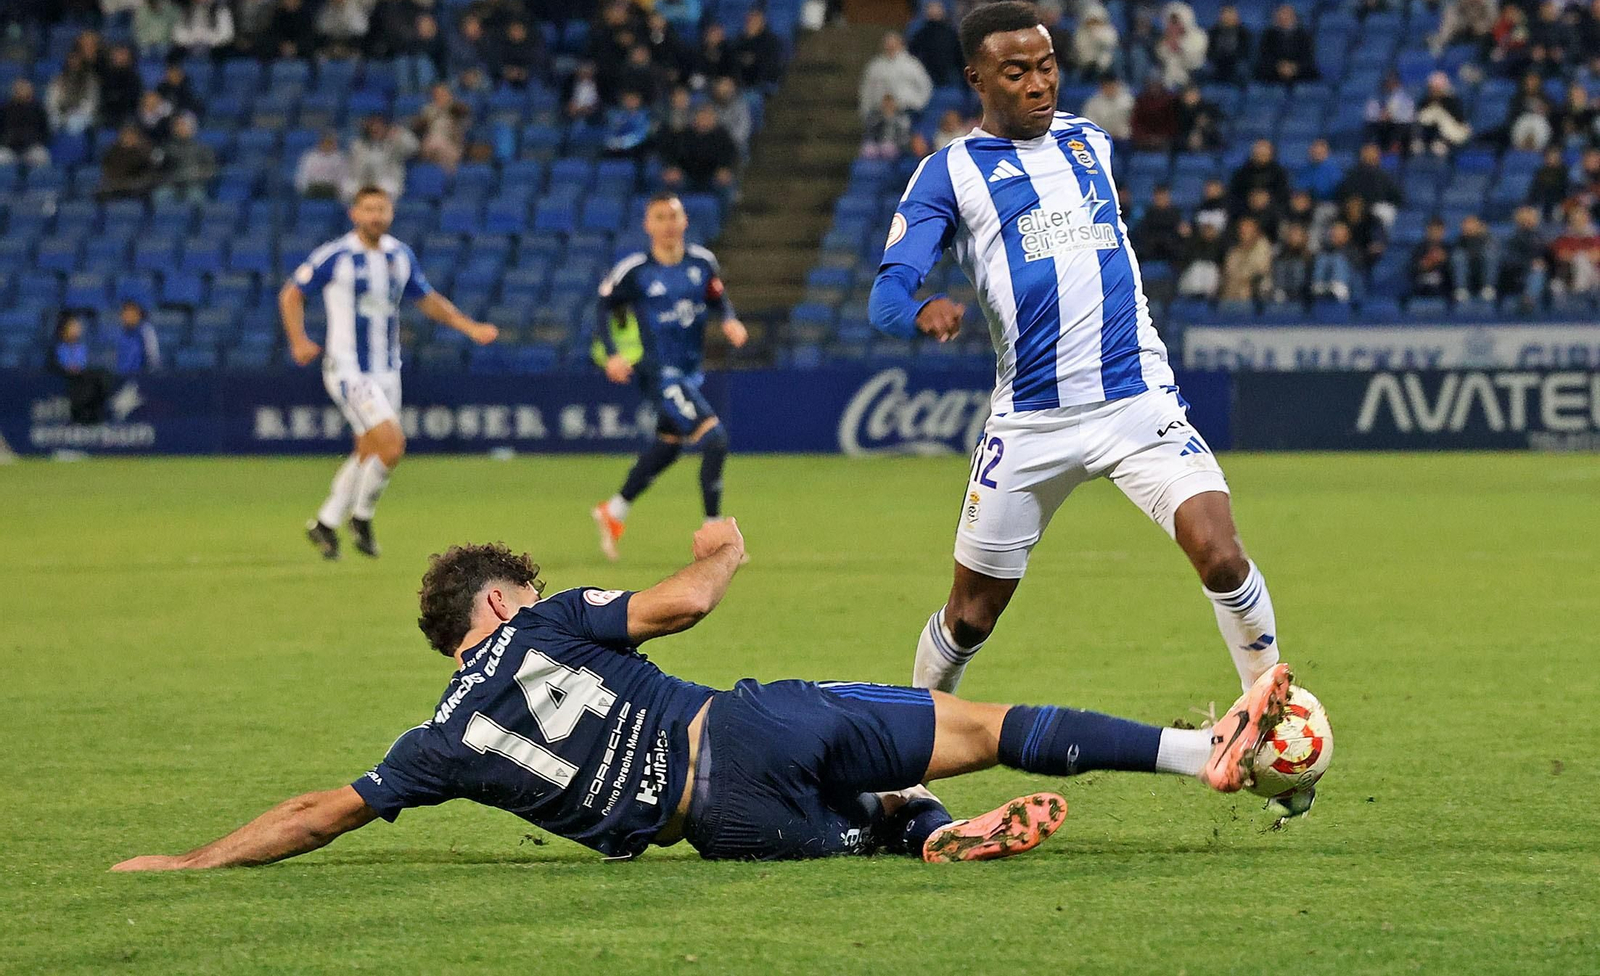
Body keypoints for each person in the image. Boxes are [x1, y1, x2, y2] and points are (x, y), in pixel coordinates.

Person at [111, 529, 1298, 871]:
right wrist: (721, 548)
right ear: (496, 603)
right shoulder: (537, 616)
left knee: (874, 813)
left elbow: (324, 807)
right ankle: (1202, 752)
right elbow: (677, 604)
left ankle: (914, 835)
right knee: (980, 731)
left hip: (717, 828)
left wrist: (193, 863)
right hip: (731, 723)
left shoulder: (439, 739)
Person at [869, 1, 1302, 815]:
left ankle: (1267, 720)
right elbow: (886, 291)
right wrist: (921, 308)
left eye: (1046, 65)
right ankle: (904, 761)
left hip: (1136, 399)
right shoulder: (948, 173)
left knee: (1221, 551)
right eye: (1016, 71)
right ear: (976, 80)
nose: (1038, 82)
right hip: (1030, 420)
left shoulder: (1088, 141)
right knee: (969, 615)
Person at [280, 187, 498, 561]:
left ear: (391, 213)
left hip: (387, 369)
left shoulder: (400, 255)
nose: (376, 216)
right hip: (349, 369)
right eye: (368, 209)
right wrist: (299, 340)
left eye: (381, 209)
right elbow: (291, 294)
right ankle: (361, 519)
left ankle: (326, 523)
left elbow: (427, 299)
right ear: (354, 214)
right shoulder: (336, 256)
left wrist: (469, 327)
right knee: (392, 444)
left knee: (368, 449)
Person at [592, 194, 748, 560]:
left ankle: (614, 511)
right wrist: (613, 355)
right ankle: (716, 532)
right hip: (659, 372)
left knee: (670, 444)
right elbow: (604, 307)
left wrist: (728, 319)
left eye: (673, 216)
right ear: (648, 226)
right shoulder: (635, 270)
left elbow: (717, 296)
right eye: (659, 217)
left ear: (685, 222)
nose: (667, 224)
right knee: (714, 439)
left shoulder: (701, 263)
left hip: (689, 371)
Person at [858, 31, 932, 118]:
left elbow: (925, 86)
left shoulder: (912, 65)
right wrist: (865, 111)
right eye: (888, 44)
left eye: (893, 44)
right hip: (879, 113)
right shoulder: (875, 66)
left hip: (907, 111)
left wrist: (918, 105)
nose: (890, 47)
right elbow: (866, 90)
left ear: (900, 45)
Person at [0, 78, 50, 166]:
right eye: (19, 89)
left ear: (31, 91)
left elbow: (45, 130)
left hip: (31, 147)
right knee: (1, 158)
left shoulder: (38, 109)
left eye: (25, 89)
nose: (22, 92)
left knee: (42, 157)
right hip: (9, 147)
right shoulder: (5, 109)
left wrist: (35, 140)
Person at [295, 131, 349, 199]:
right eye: (325, 142)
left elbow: (343, 177)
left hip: (331, 188)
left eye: (330, 142)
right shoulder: (310, 157)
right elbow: (303, 176)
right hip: (314, 188)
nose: (327, 145)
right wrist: (304, 189)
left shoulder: (339, 158)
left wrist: (340, 191)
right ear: (320, 143)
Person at [115, 300, 161, 376]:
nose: (126, 316)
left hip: (141, 377)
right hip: (122, 376)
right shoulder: (120, 334)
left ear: (138, 314)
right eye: (124, 313)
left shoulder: (146, 330)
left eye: (130, 313)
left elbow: (153, 358)